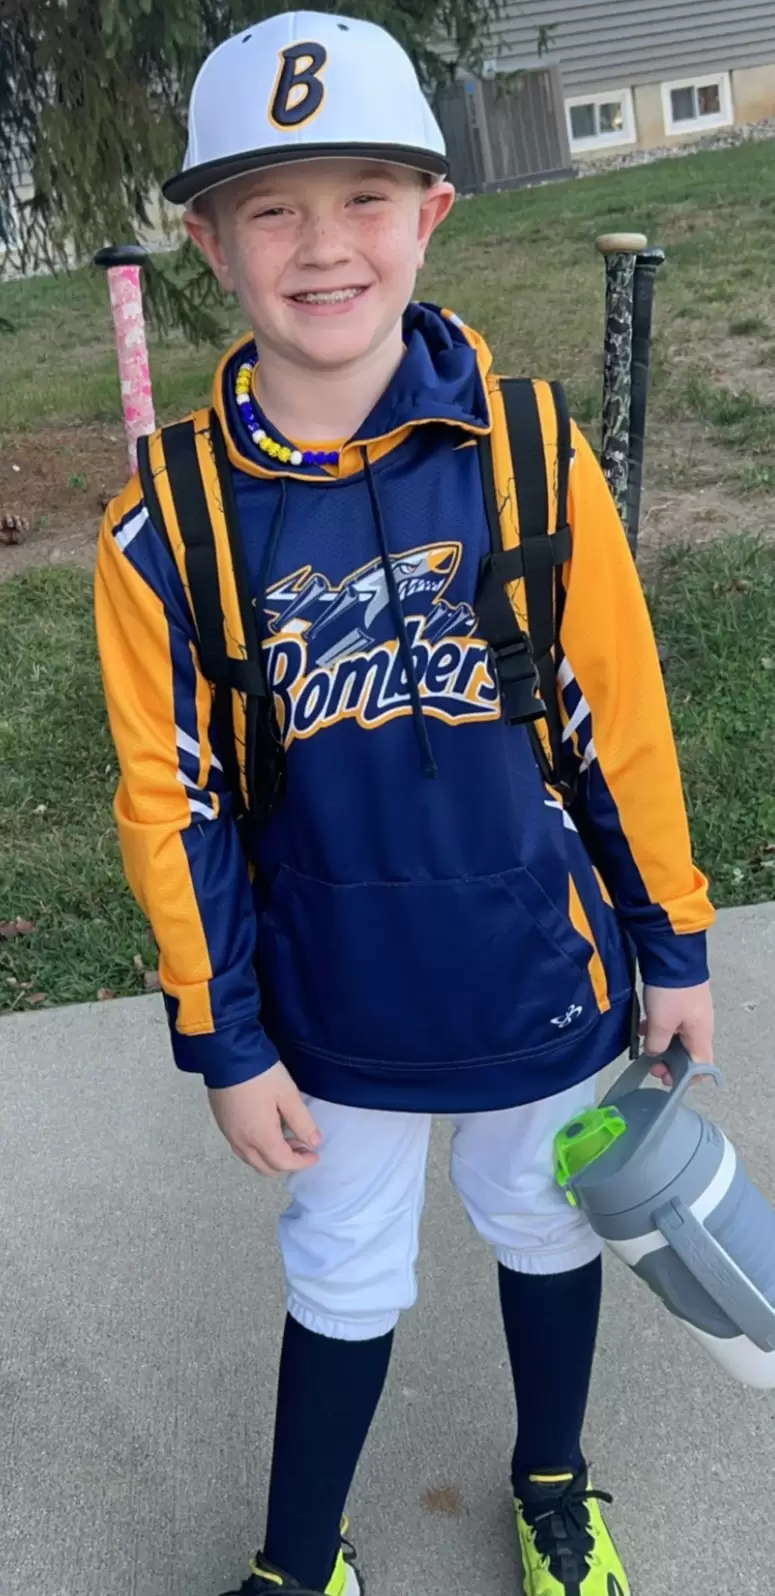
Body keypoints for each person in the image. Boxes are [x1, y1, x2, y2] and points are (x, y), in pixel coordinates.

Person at [94, 12, 716, 1596]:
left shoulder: (529, 456)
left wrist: (673, 942)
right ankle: (302, 1560)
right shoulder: (167, 525)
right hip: (332, 999)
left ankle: (554, 1484)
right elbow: (176, 804)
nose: (323, 247)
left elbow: (615, 721)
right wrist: (226, 1041)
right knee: (342, 1273)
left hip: (534, 973)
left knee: (545, 1226)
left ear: (430, 213)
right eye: (271, 209)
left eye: (364, 197)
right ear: (209, 244)